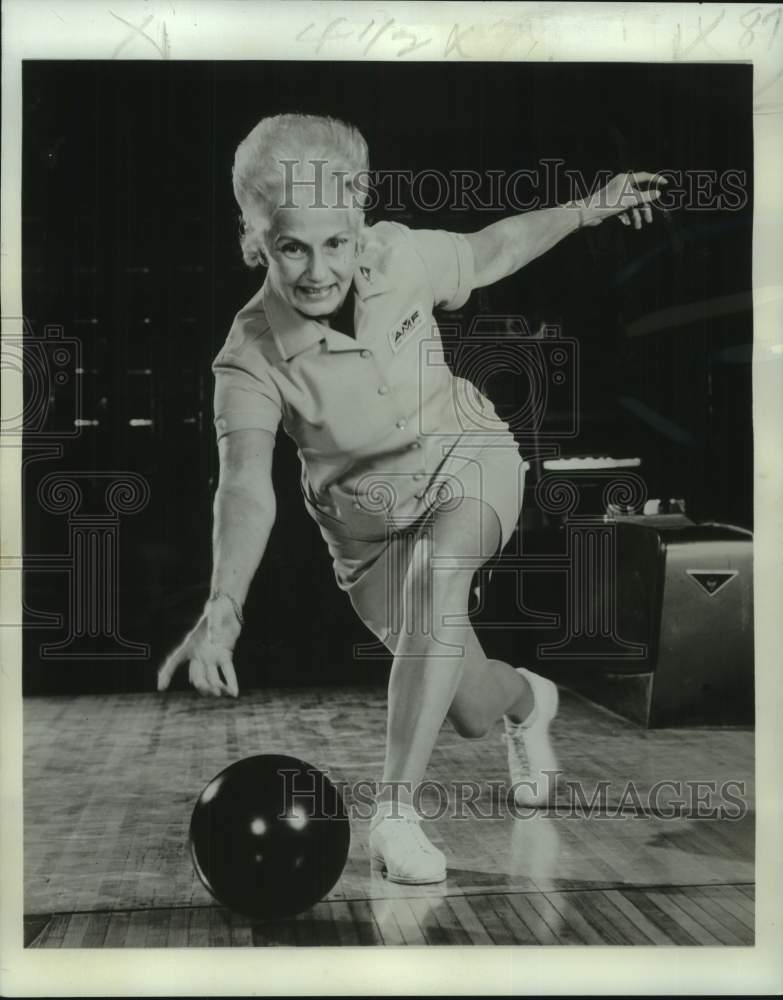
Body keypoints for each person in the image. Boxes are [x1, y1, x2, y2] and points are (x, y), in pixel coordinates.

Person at [158, 113, 664, 885]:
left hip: (467, 458)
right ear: (255, 239)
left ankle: (395, 815)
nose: (318, 269)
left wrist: (585, 208)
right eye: (291, 246)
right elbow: (243, 485)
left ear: (359, 223)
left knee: (441, 579)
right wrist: (223, 605)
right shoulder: (248, 357)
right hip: (367, 538)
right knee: (466, 706)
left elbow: (494, 248)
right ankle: (528, 702)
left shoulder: (400, 256)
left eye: (336, 241)